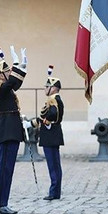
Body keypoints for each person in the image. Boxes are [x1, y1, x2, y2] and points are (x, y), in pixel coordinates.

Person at [0, 45, 27, 214]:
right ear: (1, 74)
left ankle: (2, 201)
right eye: (8, 71)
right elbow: (11, 82)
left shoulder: (6, 88)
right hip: (6, 131)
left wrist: (22, 68)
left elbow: (15, 83)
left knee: (8, 169)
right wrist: (17, 66)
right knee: (4, 168)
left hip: (11, 131)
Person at [37, 65, 64, 201]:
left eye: (46, 86)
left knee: (53, 165)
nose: (44, 89)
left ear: (52, 87)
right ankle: (55, 191)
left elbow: (53, 114)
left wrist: (46, 121)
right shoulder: (54, 100)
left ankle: (54, 192)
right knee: (54, 165)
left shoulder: (53, 100)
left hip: (51, 135)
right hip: (52, 135)